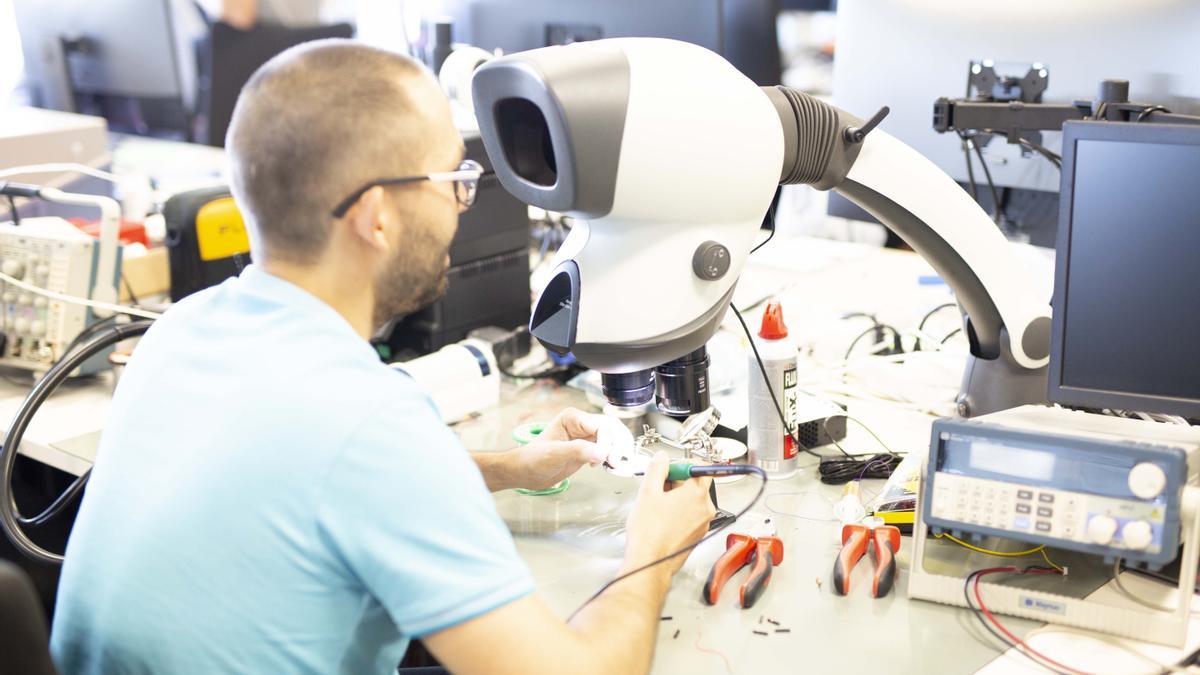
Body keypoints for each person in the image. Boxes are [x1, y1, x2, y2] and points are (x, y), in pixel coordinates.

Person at [50, 40, 716, 675]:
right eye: (455, 177)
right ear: (375, 217)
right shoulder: (372, 427)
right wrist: (655, 549)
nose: (464, 203)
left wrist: (514, 467)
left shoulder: (180, 332)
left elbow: (308, 472)